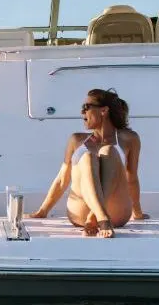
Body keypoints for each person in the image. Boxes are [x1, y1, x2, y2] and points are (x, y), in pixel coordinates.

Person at [28, 89, 146, 237]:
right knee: (87, 157)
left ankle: (96, 215)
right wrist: (42, 211)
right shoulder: (76, 140)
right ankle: (101, 217)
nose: (82, 112)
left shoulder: (129, 139)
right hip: (82, 213)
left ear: (103, 111)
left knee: (109, 151)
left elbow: (132, 178)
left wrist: (138, 212)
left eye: (86, 107)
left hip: (115, 211)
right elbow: (62, 179)